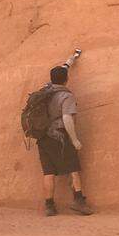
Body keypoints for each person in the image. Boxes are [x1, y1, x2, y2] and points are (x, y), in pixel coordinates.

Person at [37, 49, 93, 216]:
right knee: (73, 167)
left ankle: (49, 206)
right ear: (66, 80)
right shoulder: (65, 96)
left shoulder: (46, 89)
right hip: (60, 135)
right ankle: (79, 201)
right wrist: (74, 140)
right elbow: (67, 118)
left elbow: (63, 68)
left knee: (48, 172)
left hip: (43, 137)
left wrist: (72, 59)